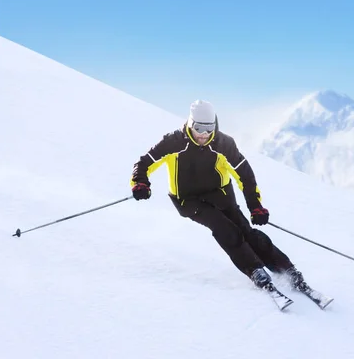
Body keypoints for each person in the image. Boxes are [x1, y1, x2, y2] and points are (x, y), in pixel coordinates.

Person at [130, 100, 309, 293]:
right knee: (226, 229)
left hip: (221, 195)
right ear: (190, 124)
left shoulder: (224, 144)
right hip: (188, 200)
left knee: (247, 232)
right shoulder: (173, 142)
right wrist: (140, 183)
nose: (204, 135)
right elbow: (144, 163)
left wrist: (255, 206)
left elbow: (245, 176)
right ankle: (256, 271)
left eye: (209, 128)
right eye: (199, 128)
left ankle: (288, 270)